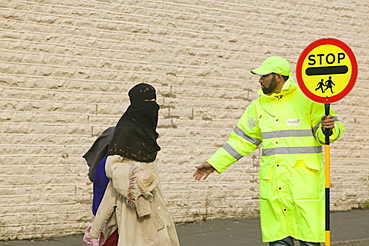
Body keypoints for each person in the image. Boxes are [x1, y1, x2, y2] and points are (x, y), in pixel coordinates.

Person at [193, 56, 344, 246]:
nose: (260, 80)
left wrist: (329, 128)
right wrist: (214, 163)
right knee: (278, 239)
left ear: (278, 77)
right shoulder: (258, 106)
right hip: (274, 187)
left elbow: (327, 134)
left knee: (309, 239)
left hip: (303, 185)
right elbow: (242, 140)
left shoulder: (308, 98)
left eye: (264, 76)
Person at [88, 83, 180, 246]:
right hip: (131, 204)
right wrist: (136, 179)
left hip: (154, 201)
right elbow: (112, 167)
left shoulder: (147, 133)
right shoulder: (126, 130)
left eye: (153, 100)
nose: (151, 107)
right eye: (146, 101)